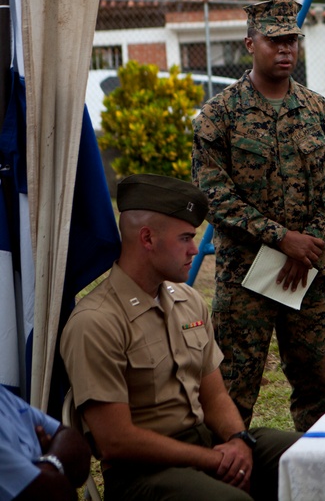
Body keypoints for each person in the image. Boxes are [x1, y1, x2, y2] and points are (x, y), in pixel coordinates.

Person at [60, 174, 300, 501]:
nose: (194, 249)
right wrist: (213, 459)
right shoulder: (97, 322)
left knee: (310, 457)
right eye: (185, 238)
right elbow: (115, 441)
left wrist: (239, 441)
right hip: (142, 474)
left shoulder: (188, 301)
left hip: (205, 446)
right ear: (147, 239)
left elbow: (214, 398)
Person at [191, 0, 325, 431]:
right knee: (231, 390)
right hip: (245, 279)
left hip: (308, 275)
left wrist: (306, 245)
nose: (285, 50)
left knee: (320, 389)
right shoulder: (218, 117)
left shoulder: (320, 114)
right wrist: (283, 239)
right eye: (274, 40)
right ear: (249, 44)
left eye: (291, 40)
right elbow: (214, 196)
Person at [0, 386, 90, 501]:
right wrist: (55, 464)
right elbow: (56, 493)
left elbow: (76, 445)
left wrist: (47, 465)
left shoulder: (4, 396)